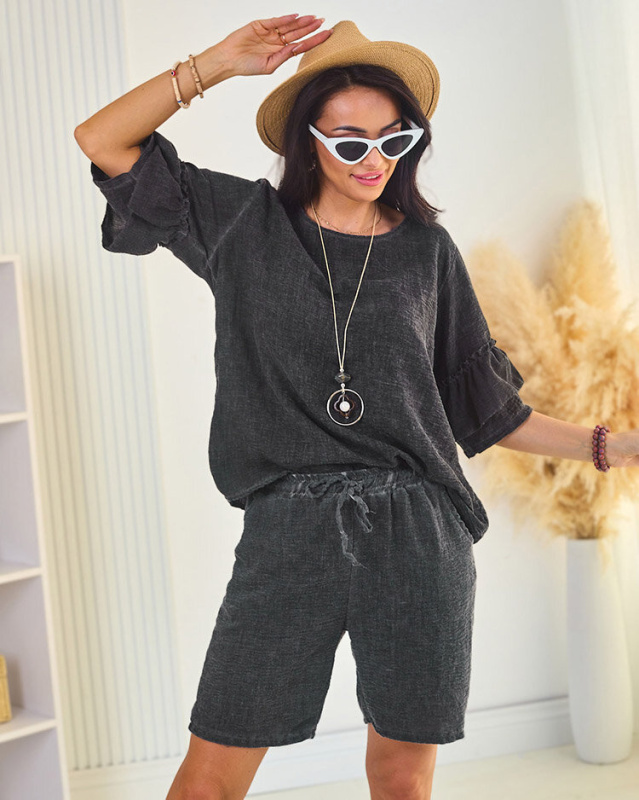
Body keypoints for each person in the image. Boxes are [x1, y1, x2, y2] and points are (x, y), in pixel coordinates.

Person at [74, 14, 639, 800]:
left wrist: (617, 447)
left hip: (418, 533)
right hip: (288, 532)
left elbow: (486, 415)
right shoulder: (240, 224)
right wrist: (216, 64)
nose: (373, 160)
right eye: (348, 143)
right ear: (306, 142)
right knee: (209, 779)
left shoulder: (426, 252)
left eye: (393, 139)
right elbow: (101, 139)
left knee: (402, 778)